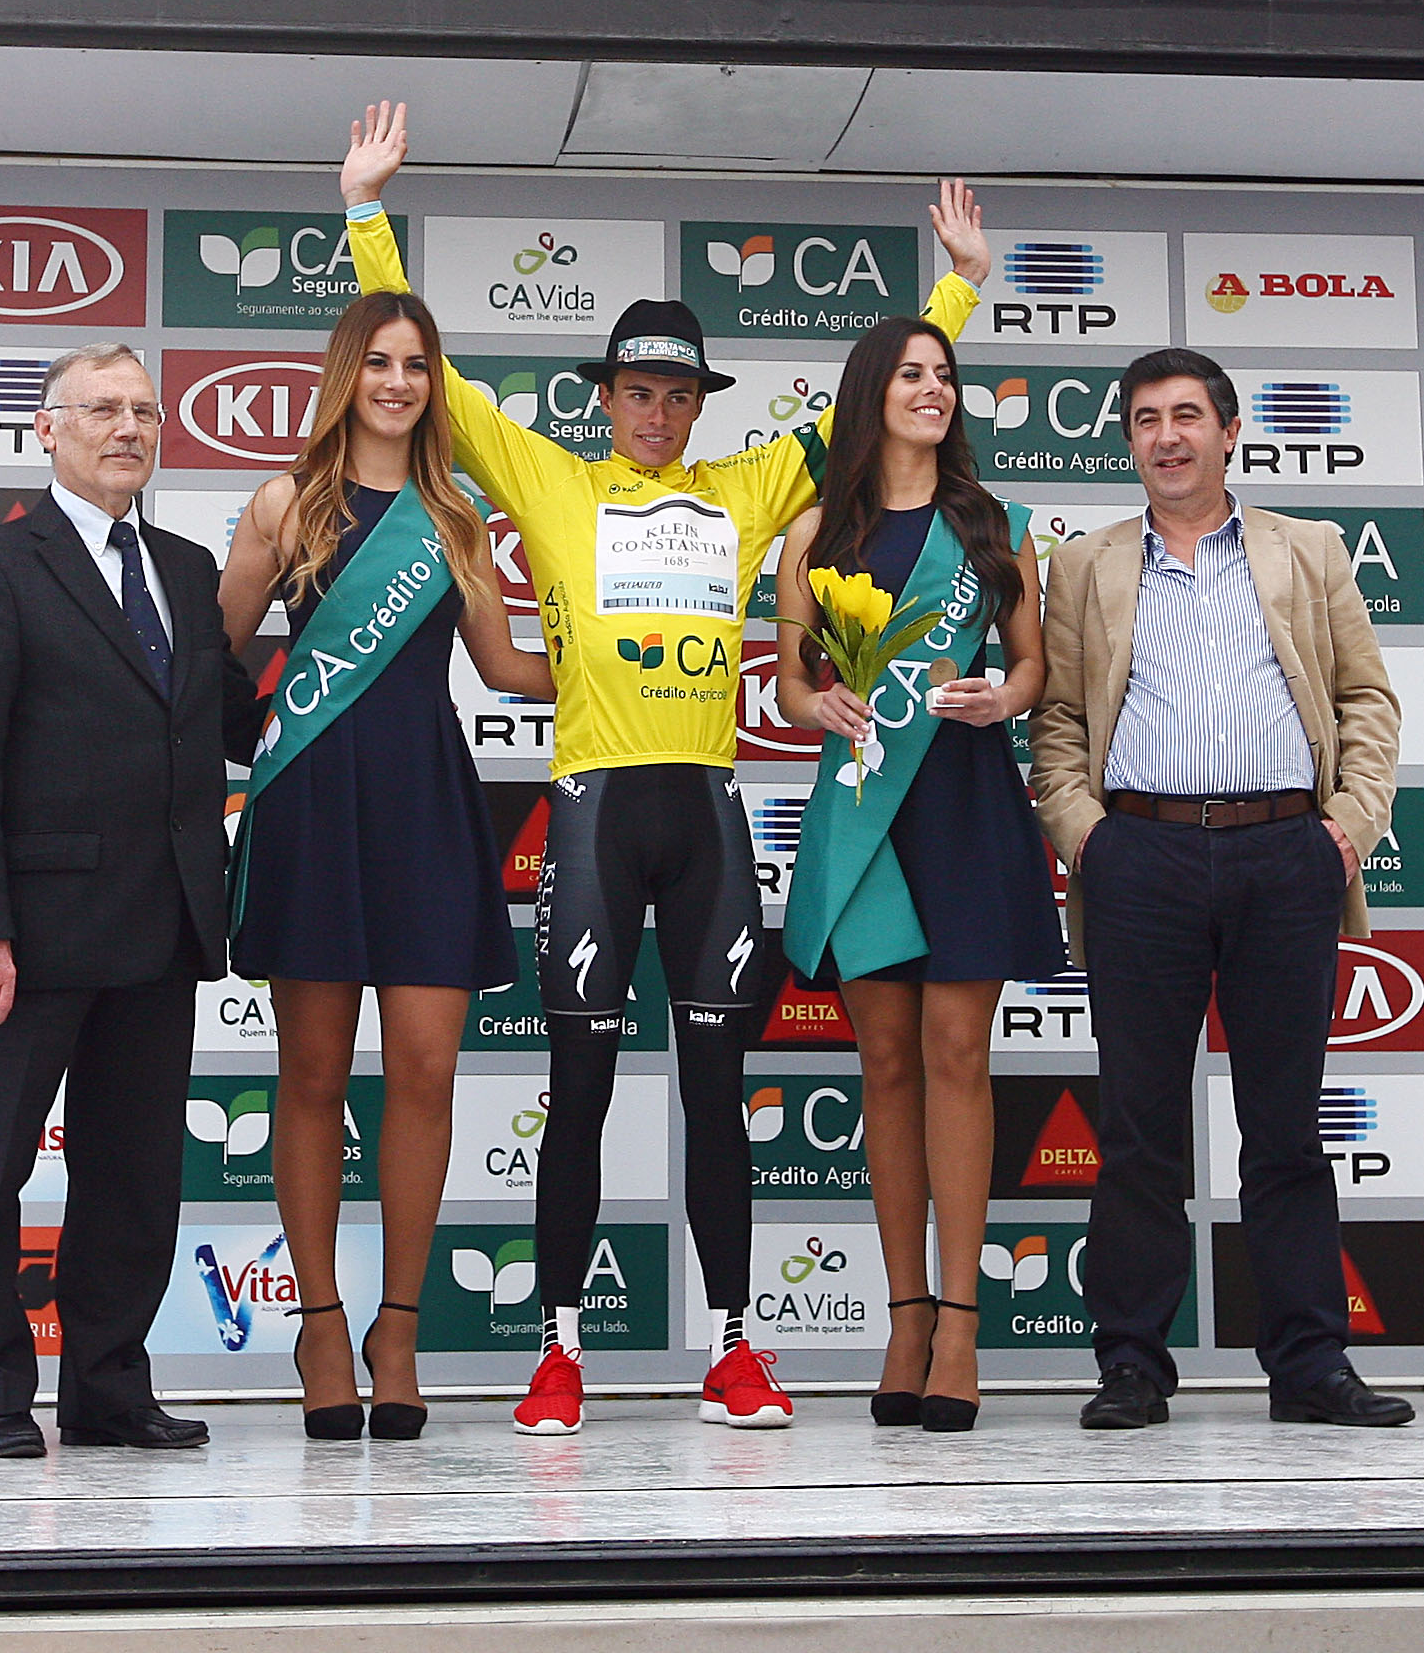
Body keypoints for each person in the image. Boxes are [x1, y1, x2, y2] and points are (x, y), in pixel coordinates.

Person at [338, 100, 990, 1435]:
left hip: (703, 813)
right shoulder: (549, 479)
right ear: (605, 397)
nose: (655, 411)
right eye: (637, 390)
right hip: (591, 814)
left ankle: (737, 1350)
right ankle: (559, 1354)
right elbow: (432, 378)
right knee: (576, 1093)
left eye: (677, 393)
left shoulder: (747, 489)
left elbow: (867, 412)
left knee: (715, 1092)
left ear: (699, 405)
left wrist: (957, 294)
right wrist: (366, 216)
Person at [1026, 349, 1414, 1434]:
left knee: (1285, 1127)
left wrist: (1347, 829)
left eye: (1188, 415)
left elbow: (1366, 699)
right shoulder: (1085, 565)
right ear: (1129, 440)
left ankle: (1310, 1364)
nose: (1168, 436)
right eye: (1147, 419)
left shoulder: (1309, 548)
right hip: (1138, 858)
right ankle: (1131, 1364)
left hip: (1285, 854)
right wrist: (1087, 838)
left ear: (1230, 431)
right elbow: (1058, 720)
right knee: (1139, 1130)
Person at [214, 290, 556, 1442]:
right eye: (379, 361)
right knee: (312, 1074)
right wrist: (257, 749)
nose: (398, 382)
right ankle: (321, 1325)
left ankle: (396, 1328)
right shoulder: (284, 503)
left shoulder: (455, 516)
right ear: (345, 374)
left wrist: (641, 662)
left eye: (417, 363)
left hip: (423, 805)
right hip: (311, 809)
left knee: (425, 1069)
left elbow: (506, 668)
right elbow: (213, 657)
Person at [0, 343, 262, 1457]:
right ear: (48, 428)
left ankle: (110, 1388)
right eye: (103, 408)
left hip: (164, 923)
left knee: (134, 1179)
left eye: (145, 411)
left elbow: (229, 722)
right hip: (33, 932)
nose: (128, 428)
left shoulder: (184, 567)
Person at [771, 316, 1059, 1433]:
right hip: (865, 812)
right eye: (910, 375)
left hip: (966, 804)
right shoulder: (815, 532)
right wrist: (822, 704)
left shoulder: (994, 525)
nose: (933, 390)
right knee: (884, 1062)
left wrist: (1003, 699)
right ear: (870, 394)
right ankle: (904, 1318)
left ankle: (962, 1327)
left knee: (955, 1054)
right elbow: (791, 686)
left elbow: (1031, 666)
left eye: (944, 375)